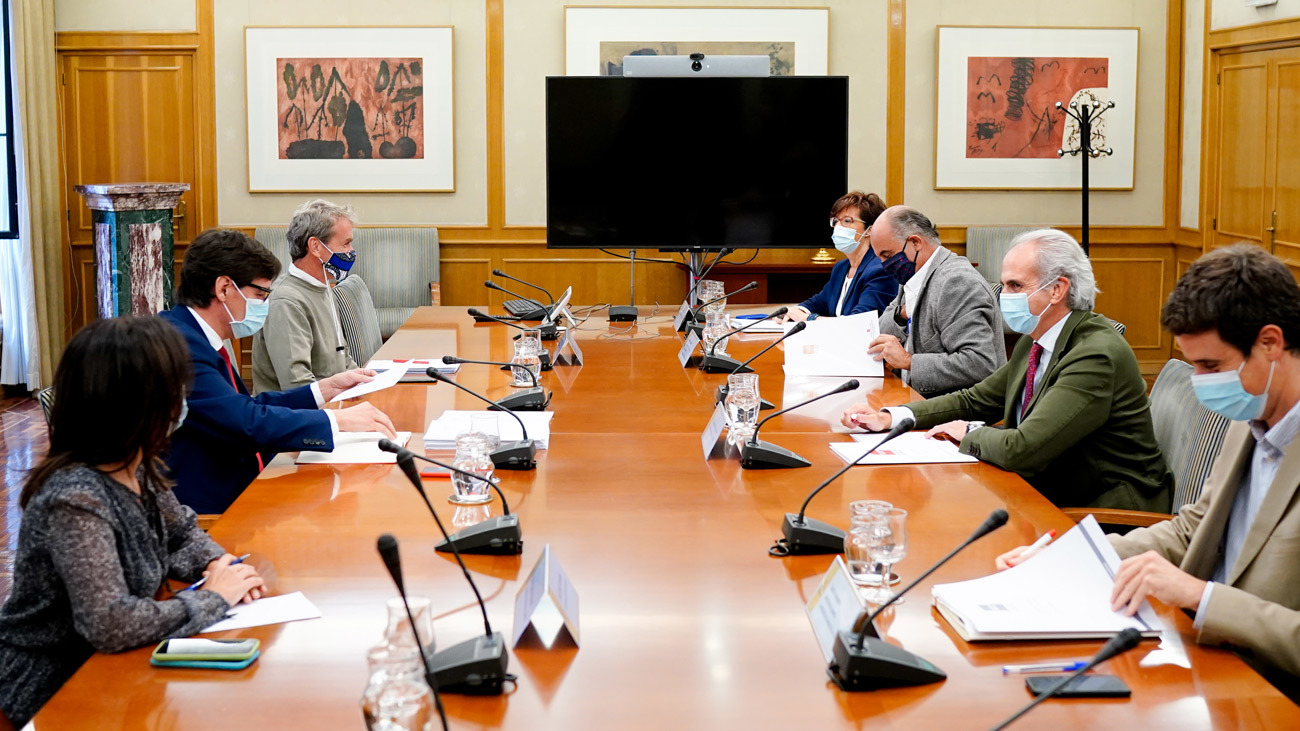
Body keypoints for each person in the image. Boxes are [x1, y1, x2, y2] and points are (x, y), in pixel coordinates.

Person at [996, 244, 1300, 702]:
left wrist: (1202, 596)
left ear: (1271, 343)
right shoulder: (1252, 417)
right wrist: (1077, 555)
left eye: (1212, 366)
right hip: (1201, 665)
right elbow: (1192, 528)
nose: (1201, 382)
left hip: (1270, 692)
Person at [0, 317, 266, 728]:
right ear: (133, 403)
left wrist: (218, 565)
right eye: (173, 390)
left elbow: (181, 534)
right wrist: (213, 599)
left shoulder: (136, 465)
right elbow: (110, 623)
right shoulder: (75, 497)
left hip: (119, 662)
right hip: (57, 685)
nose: (183, 401)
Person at [841, 229, 1172, 511]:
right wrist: (892, 416)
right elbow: (975, 400)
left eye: (1015, 286)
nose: (1005, 297)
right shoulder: (1035, 339)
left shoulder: (1096, 355)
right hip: (1047, 489)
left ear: (1057, 289)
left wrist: (968, 433)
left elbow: (1025, 449)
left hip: (1103, 512)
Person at [160, 229, 397, 515]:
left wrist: (323, 390)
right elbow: (246, 422)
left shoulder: (194, 334)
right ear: (224, 288)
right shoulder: (181, 347)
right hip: (213, 508)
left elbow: (244, 406)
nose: (264, 305)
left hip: (241, 484)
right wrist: (336, 420)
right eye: (259, 294)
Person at [864, 206, 1005, 397]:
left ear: (915, 242)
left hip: (958, 410)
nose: (883, 264)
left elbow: (979, 363)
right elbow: (879, 332)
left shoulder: (956, 282)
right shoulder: (913, 274)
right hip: (914, 397)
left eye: (887, 255)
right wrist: (901, 313)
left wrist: (908, 361)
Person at [251, 199, 359, 395]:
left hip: (330, 406)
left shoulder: (325, 287)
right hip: (294, 418)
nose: (351, 251)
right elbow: (297, 387)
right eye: (346, 243)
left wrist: (366, 382)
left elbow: (343, 361)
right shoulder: (285, 302)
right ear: (315, 247)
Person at [783, 191, 896, 322]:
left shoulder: (880, 270)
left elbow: (858, 323)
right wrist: (795, 311)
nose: (838, 227)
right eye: (836, 221)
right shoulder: (841, 268)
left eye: (847, 221)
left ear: (869, 230)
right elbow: (818, 302)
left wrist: (808, 319)